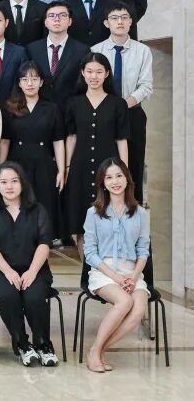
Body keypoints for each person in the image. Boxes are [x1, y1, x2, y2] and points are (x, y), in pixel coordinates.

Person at [0, 162, 59, 366]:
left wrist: (32, 271)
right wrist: (7, 271)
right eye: (3, 182)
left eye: (14, 181)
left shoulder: (37, 209)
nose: (9, 186)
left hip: (34, 268)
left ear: (22, 183)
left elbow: (44, 243)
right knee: (8, 295)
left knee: (34, 296)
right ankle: (22, 343)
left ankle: (43, 344)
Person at [82, 158, 150, 373]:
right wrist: (116, 277)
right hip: (104, 272)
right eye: (109, 177)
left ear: (127, 179)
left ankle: (98, 350)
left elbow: (143, 251)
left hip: (132, 272)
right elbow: (90, 253)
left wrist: (133, 277)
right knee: (124, 302)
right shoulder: (93, 213)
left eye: (119, 175)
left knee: (138, 310)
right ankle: (96, 352)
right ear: (103, 183)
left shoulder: (141, 213)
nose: (115, 181)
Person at [64, 52, 130, 246]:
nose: (94, 76)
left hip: (109, 170)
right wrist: (67, 168)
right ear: (83, 73)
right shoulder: (73, 103)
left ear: (107, 74)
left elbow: (121, 140)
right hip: (80, 168)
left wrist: (124, 172)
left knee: (110, 218)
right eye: (90, 71)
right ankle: (88, 264)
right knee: (81, 223)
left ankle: (106, 263)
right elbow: (71, 137)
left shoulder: (118, 104)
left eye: (99, 72)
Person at [91, 0, 153, 203]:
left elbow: (146, 86)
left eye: (124, 17)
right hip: (103, 115)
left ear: (131, 22)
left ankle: (133, 211)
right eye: (115, 18)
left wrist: (123, 105)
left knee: (133, 166)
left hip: (132, 113)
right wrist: (109, 108)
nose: (120, 22)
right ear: (106, 23)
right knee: (104, 166)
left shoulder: (142, 51)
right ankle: (102, 210)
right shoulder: (96, 50)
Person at [0, 62, 67, 238]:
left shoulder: (51, 108)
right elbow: (5, 141)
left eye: (34, 79)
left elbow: (58, 141)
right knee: (18, 203)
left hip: (44, 163)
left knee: (44, 203)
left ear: (41, 82)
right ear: (19, 83)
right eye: (25, 79)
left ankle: (44, 241)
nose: (30, 83)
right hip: (17, 164)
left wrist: (61, 170)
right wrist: (0, 169)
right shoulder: (10, 108)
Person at [26, 0, 89, 109]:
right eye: (52, 15)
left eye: (62, 15)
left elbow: (84, 84)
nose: (57, 19)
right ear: (45, 22)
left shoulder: (83, 50)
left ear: (70, 21)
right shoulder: (32, 49)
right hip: (39, 109)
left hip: (71, 109)